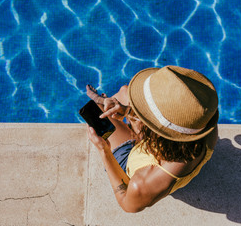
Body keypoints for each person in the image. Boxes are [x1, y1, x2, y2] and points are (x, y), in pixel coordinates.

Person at [86, 65, 219, 213]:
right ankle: (115, 106)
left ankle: (102, 101)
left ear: (152, 131)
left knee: (96, 110)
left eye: (145, 113)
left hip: (129, 160)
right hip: (164, 147)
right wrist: (129, 112)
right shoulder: (202, 124)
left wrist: (104, 150)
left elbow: (126, 204)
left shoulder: (142, 183)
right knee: (125, 91)